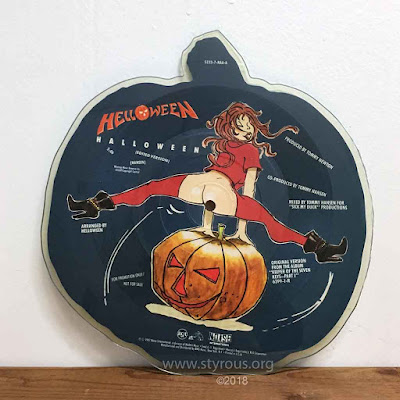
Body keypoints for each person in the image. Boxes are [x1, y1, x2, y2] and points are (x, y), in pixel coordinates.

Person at [68, 102, 347, 263]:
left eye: (248, 126)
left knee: (151, 187)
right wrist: (241, 230)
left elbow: (214, 198)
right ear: (232, 127)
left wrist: (210, 227)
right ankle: (320, 248)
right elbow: (248, 188)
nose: (246, 131)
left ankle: (96, 204)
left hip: (198, 185)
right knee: (270, 222)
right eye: (240, 126)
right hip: (220, 191)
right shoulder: (250, 151)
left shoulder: (228, 146)